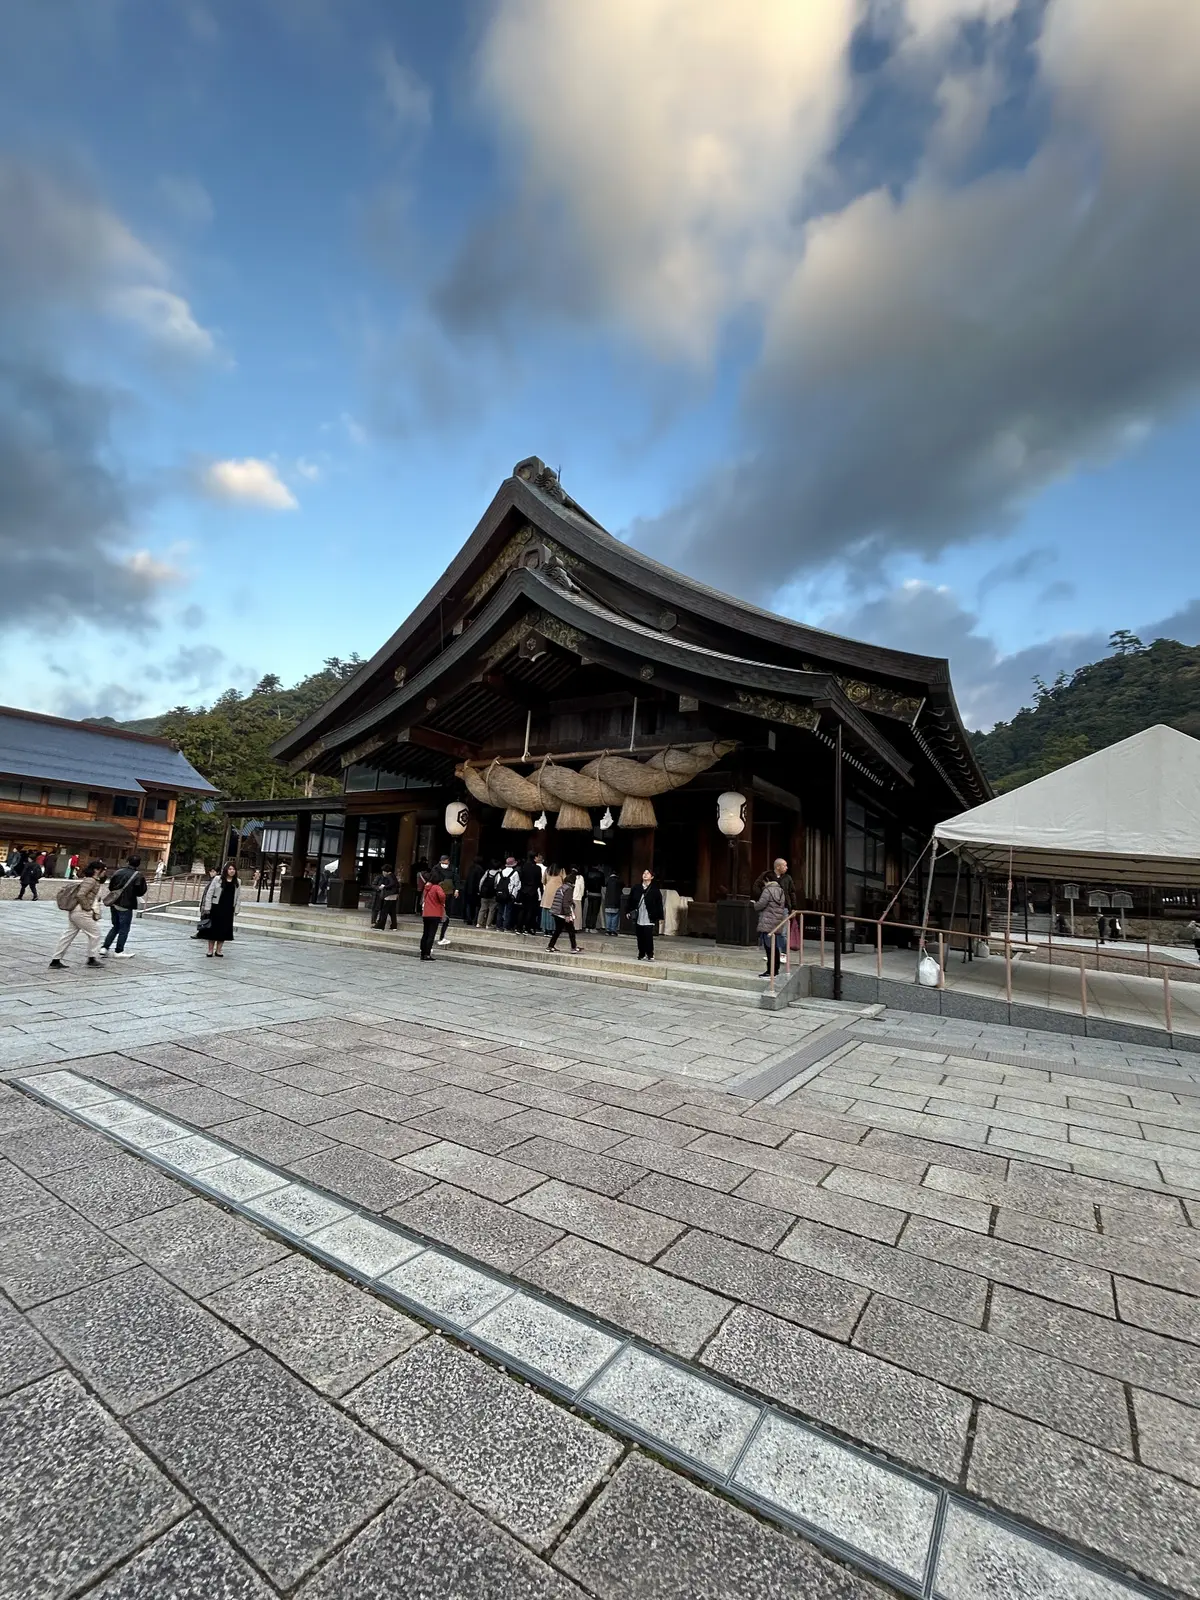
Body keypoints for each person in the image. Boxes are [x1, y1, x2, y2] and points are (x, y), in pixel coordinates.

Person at [49, 860, 108, 969]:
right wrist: (87, 908)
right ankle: (91, 959)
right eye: (103, 870)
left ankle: (56, 959)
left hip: (77, 911)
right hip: (81, 911)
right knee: (95, 933)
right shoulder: (91, 880)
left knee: (68, 935)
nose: (104, 872)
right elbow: (81, 895)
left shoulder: (90, 880)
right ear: (96, 870)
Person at [101, 853, 147, 959]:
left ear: (127, 862)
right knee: (124, 928)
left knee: (115, 926)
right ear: (138, 864)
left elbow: (111, 887)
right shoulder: (138, 875)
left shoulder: (118, 872)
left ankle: (104, 947)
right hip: (127, 904)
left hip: (114, 902)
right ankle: (119, 950)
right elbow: (140, 892)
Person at [199, 861, 240, 957]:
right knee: (213, 929)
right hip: (216, 907)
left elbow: (238, 896)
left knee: (224, 929)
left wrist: (237, 908)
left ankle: (219, 950)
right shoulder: (218, 879)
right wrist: (207, 907)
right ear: (226, 870)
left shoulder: (237, 881)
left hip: (228, 908)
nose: (232, 871)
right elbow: (210, 893)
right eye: (230, 869)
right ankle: (210, 950)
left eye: (233, 869)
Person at [754, 869, 789, 978]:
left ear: (767, 880)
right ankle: (776, 970)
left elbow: (760, 905)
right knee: (775, 948)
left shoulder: (767, 891)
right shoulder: (781, 891)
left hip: (767, 922)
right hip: (777, 922)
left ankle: (770, 971)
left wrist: (754, 904)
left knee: (769, 948)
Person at [626, 868, 664, 961]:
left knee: (648, 935)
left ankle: (650, 954)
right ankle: (641, 953)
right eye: (644, 873)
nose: (645, 875)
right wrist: (628, 911)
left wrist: (660, 917)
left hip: (649, 915)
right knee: (640, 936)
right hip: (639, 914)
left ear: (652, 877)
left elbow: (659, 904)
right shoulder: (636, 888)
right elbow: (630, 900)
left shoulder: (655, 889)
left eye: (648, 873)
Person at [547, 869, 582, 952]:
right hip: (562, 913)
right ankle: (573, 947)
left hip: (556, 912)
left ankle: (550, 946)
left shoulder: (561, 887)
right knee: (571, 930)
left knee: (558, 930)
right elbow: (566, 902)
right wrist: (567, 914)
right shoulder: (569, 889)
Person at [434, 853, 459, 945]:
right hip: (437, 892)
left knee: (446, 915)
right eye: (443, 862)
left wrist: (456, 889)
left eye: (446, 862)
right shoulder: (436, 869)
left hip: (448, 893)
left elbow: (456, 879)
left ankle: (442, 936)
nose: (445, 863)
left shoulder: (452, 869)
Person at [420, 872, 445, 960]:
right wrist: (442, 902)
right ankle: (427, 953)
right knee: (431, 934)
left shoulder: (427, 887)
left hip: (426, 913)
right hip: (435, 913)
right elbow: (442, 896)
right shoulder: (437, 887)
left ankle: (422, 952)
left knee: (425, 933)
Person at [517, 854, 543, 935]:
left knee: (522, 909)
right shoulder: (537, 868)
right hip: (532, 891)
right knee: (530, 910)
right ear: (535, 858)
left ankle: (519, 927)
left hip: (524, 890)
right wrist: (541, 891)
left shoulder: (524, 866)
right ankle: (527, 928)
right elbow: (539, 881)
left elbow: (521, 878)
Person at [374, 865, 400, 929]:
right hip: (394, 895)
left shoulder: (389, 876)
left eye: (383, 871)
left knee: (384, 911)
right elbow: (397, 884)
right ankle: (394, 926)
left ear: (385, 871)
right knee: (392, 911)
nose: (383, 873)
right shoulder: (393, 876)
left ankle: (380, 926)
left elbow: (392, 883)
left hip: (389, 895)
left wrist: (384, 886)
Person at [541, 864, 563, 934]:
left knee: (546, 911)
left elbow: (543, 881)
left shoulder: (547, 870)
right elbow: (565, 880)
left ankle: (546, 929)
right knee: (555, 912)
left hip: (547, 893)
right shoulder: (561, 870)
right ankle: (553, 929)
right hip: (557, 893)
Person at [476, 861, 500, 928]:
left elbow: (481, 881)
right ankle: (488, 924)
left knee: (482, 908)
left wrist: (480, 890)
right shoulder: (498, 874)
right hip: (493, 894)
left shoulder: (487, 872)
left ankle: (479, 923)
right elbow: (497, 884)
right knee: (491, 910)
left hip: (484, 893)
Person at [463, 858, 485, 928]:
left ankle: (468, 919)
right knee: (476, 906)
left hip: (468, 890)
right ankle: (474, 919)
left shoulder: (471, 868)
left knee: (468, 905)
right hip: (476, 890)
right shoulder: (480, 869)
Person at [584, 863, 605, 931]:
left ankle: (587, 926)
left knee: (589, 910)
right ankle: (592, 927)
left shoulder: (588, 873)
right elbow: (603, 884)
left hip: (590, 894)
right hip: (597, 894)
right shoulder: (601, 874)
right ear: (598, 866)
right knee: (595, 912)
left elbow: (585, 884)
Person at [602, 869, 623, 935]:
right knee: (615, 916)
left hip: (608, 901)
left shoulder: (607, 880)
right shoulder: (619, 881)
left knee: (608, 916)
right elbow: (623, 886)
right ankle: (613, 930)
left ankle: (608, 930)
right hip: (616, 902)